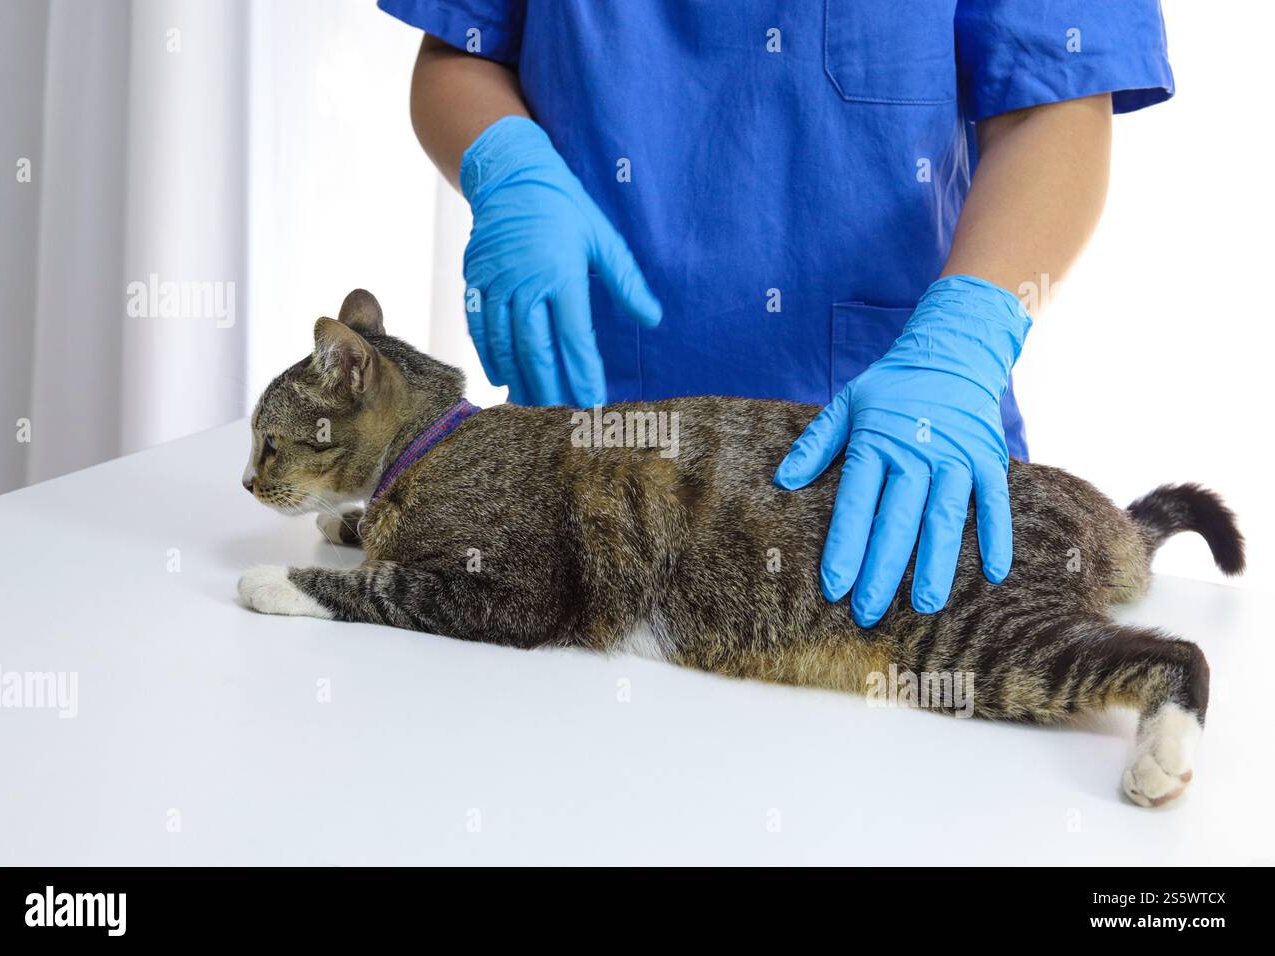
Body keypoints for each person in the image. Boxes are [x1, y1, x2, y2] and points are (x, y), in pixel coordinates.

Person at [380, 0, 1173, 627]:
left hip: (888, 475)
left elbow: (1057, 107)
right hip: (583, 499)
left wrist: (964, 339)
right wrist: (508, 169)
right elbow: (459, 52)